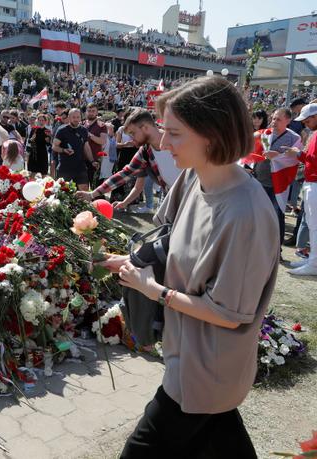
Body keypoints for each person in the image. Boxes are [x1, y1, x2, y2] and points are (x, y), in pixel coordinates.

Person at [110, 76, 279, 458]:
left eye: (174, 133)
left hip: (204, 372)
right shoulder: (191, 177)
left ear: (211, 135)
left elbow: (228, 314)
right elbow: (173, 243)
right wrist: (129, 262)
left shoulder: (245, 213)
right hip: (189, 361)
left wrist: (152, 290)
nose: (163, 144)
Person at [81, 109, 182, 209]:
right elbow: (124, 174)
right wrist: (92, 194)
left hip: (193, 198)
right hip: (171, 198)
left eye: (133, 133)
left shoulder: (179, 139)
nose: (131, 138)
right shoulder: (145, 152)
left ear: (145, 128)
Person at [254, 108, 302, 247]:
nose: (274, 122)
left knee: (277, 217)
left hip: (278, 186)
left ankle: (276, 250)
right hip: (259, 181)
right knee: (257, 215)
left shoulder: (294, 138)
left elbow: (294, 160)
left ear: (288, 120)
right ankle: (257, 246)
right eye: (273, 118)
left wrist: (278, 157)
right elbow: (252, 146)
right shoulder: (266, 133)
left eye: (278, 119)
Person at [282, 103, 317, 276]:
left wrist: (298, 154)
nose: (305, 124)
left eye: (307, 120)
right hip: (311, 182)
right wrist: (298, 153)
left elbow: (313, 158)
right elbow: (310, 158)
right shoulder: (314, 133)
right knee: (312, 224)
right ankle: (313, 260)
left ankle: (314, 263)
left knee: (314, 224)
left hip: (315, 183)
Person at [52, 108, 95, 191]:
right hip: (65, 168)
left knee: (84, 195)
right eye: (73, 117)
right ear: (69, 117)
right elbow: (54, 146)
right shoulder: (62, 130)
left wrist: (92, 161)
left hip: (80, 167)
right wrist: (64, 150)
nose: (76, 119)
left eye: (78, 117)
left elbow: (86, 147)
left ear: (81, 117)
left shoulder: (84, 130)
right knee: (64, 196)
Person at [84, 103, 107, 186]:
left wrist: (89, 135)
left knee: (95, 185)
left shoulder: (101, 125)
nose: (91, 113)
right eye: (89, 111)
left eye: (93, 111)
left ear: (97, 112)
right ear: (86, 112)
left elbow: (102, 141)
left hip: (95, 159)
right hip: (82, 159)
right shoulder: (82, 124)